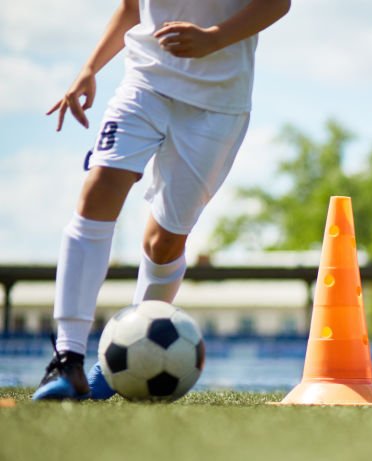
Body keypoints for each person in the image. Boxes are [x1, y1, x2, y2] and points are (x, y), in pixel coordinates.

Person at [34, 0, 290, 400]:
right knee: (99, 188)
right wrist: (88, 68)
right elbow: (133, 7)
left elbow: (277, 3)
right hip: (144, 83)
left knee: (163, 242)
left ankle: (120, 364)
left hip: (218, 105)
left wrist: (214, 38)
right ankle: (67, 360)